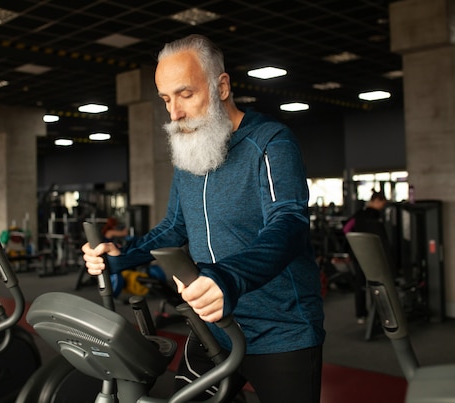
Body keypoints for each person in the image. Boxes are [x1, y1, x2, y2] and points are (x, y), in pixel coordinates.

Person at [82, 34, 324, 402]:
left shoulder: (271, 141)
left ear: (221, 85)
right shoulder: (192, 151)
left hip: (280, 329)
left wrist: (228, 277)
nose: (174, 113)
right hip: (213, 327)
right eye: (166, 99)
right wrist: (122, 255)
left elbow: (289, 223)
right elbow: (175, 227)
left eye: (185, 94)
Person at [343, 189, 389, 324]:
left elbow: (346, 229)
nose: (383, 206)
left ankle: (361, 315)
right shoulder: (376, 217)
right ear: (376, 201)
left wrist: (355, 244)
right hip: (373, 255)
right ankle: (379, 314)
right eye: (382, 203)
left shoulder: (358, 214)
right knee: (376, 283)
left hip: (359, 253)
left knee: (361, 283)